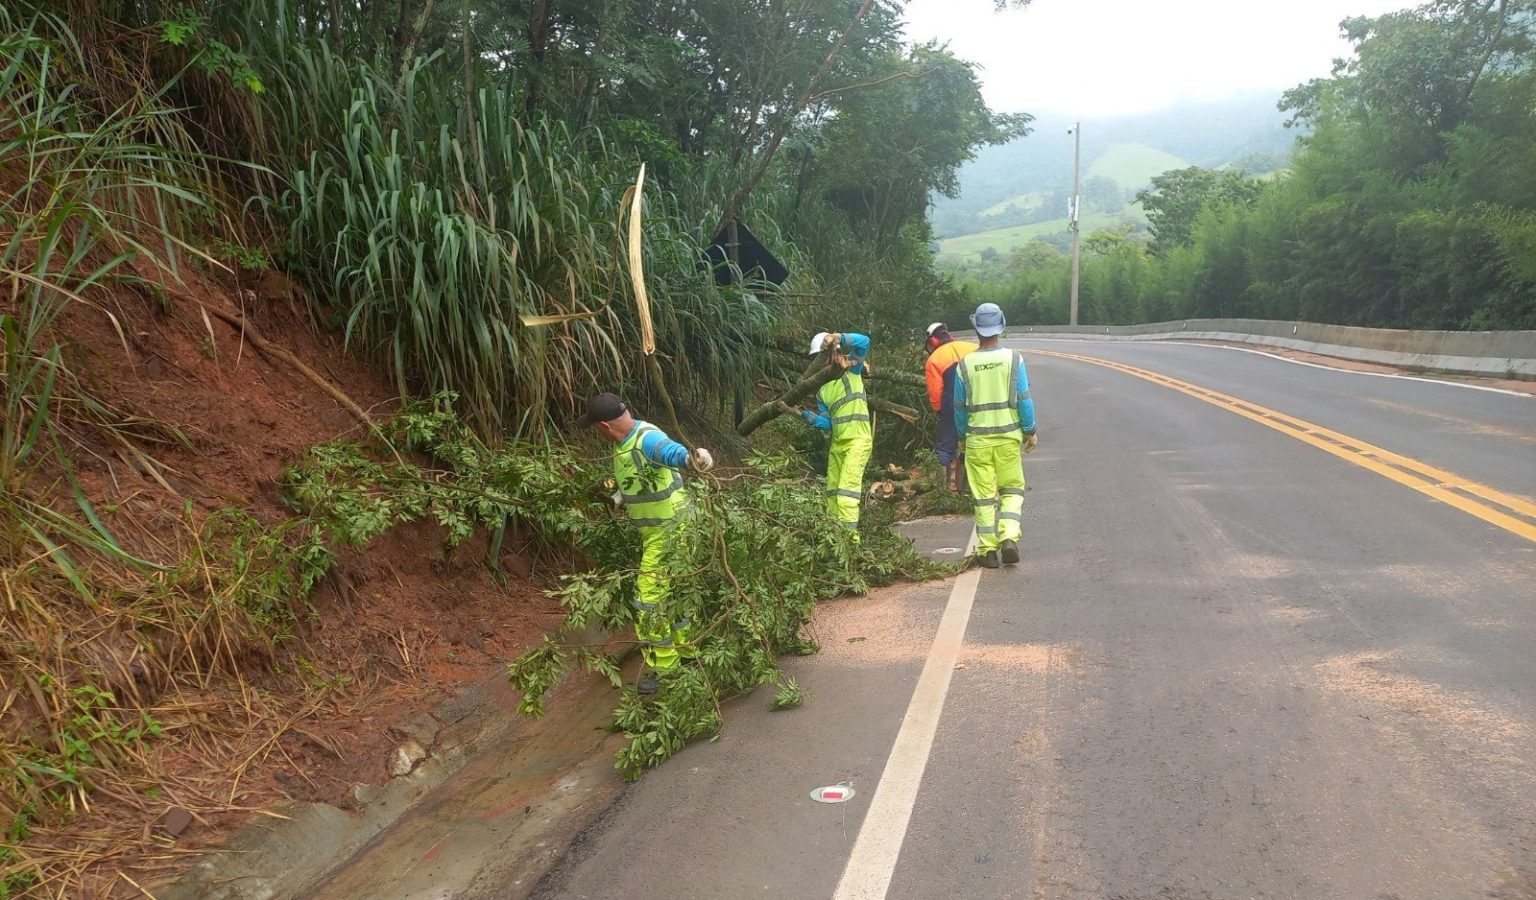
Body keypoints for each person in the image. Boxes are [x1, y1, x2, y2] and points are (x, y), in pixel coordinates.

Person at [577, 393, 714, 693]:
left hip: (670, 531)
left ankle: (666, 670)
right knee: (675, 596)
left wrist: (694, 457)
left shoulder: (647, 439)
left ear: (603, 426)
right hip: (665, 530)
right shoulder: (623, 443)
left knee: (648, 601)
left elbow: (672, 453)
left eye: (594, 428)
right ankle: (688, 655)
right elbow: (641, 476)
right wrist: (621, 496)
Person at [954, 304, 1037, 569]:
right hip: (1008, 438)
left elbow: (959, 408)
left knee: (984, 496)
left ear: (976, 328)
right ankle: (1009, 536)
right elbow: (1024, 400)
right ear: (1001, 325)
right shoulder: (1014, 359)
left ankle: (988, 551)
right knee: (1012, 489)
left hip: (978, 440)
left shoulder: (964, 365)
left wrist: (961, 436)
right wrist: (1030, 430)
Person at [787, 331, 873, 537]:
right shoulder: (822, 391)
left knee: (846, 495)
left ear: (834, 353)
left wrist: (838, 337)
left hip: (858, 441)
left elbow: (865, 343)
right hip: (838, 445)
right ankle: (835, 544)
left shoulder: (851, 368)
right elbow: (827, 424)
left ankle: (850, 546)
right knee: (832, 496)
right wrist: (803, 414)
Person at [923, 322, 978, 492]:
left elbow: (935, 394)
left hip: (951, 407)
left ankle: (943, 493)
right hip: (978, 404)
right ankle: (967, 490)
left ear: (933, 340)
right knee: (972, 444)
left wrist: (940, 412)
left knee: (945, 449)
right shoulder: (973, 348)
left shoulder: (934, 359)